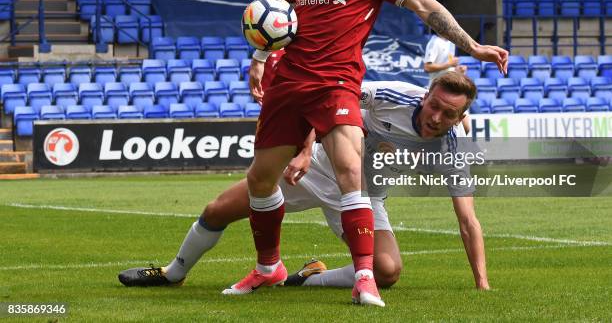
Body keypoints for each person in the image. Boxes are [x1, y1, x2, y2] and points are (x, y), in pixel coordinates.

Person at [237, 0, 506, 306]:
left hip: (356, 156)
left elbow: (424, 6)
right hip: (309, 128)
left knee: (387, 264)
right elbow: (289, 25)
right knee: (243, 193)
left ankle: (337, 278)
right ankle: (248, 267)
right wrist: (260, 56)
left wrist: (471, 46)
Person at [118, 72, 490, 292]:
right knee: (217, 211)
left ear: (461, 118)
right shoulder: (390, 95)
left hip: (362, 198)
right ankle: (173, 273)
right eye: (434, 106)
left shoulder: (451, 146)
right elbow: (331, 100)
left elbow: (467, 220)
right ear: (425, 96)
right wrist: (304, 147)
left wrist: (482, 286)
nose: (437, 117)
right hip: (315, 169)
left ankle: (310, 278)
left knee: (388, 271)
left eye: (449, 114)